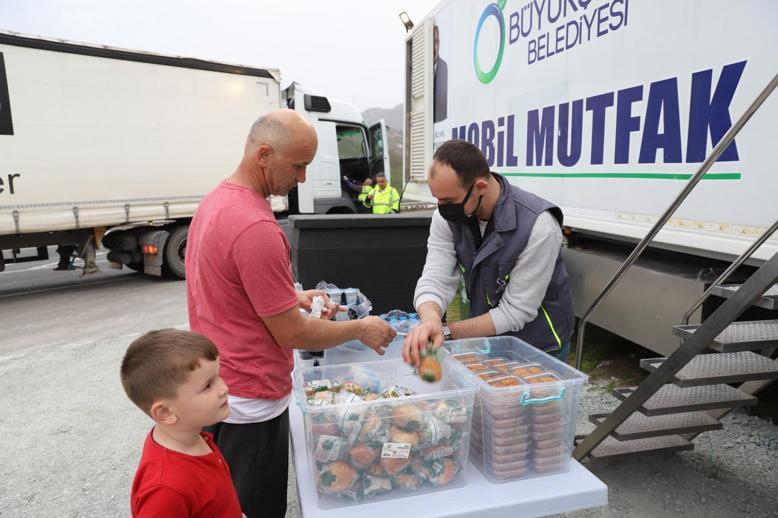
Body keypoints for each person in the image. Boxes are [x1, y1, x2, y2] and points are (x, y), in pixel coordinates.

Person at [185, 109, 396, 518]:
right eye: (298, 165)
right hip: (252, 397)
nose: (301, 179)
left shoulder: (216, 203)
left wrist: (290, 296)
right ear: (263, 154)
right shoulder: (256, 228)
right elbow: (292, 335)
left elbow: (225, 290)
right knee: (255, 507)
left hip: (222, 382)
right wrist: (360, 328)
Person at [403, 139, 574, 367]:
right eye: (437, 198)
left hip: (539, 345)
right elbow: (436, 277)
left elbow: (516, 311)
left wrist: (446, 331)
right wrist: (430, 319)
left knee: (533, 403)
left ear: (480, 187)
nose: (441, 207)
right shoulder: (448, 217)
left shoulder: (539, 225)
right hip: (489, 339)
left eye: (448, 200)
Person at [120, 329, 243, 518]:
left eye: (218, 376)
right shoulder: (166, 489)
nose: (224, 388)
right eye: (208, 385)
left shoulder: (191, 435)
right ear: (165, 412)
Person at [433, 24, 448, 123]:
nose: (434, 48)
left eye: (436, 42)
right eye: (431, 43)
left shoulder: (443, 66)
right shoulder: (421, 74)